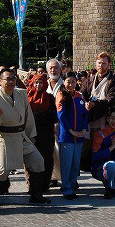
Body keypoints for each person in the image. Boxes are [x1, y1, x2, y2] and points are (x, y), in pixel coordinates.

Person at [0, 69, 49, 206]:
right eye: (8, 79)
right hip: (4, 137)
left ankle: (35, 194)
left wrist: (31, 134)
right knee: (2, 171)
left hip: (21, 135)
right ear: (0, 81)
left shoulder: (21, 93)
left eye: (13, 78)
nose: (11, 81)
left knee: (38, 161)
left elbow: (28, 115)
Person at [80, 52, 115, 170]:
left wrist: (95, 104)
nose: (101, 65)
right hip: (89, 117)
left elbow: (111, 100)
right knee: (87, 145)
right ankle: (87, 166)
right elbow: (82, 94)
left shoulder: (112, 81)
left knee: (101, 144)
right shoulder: (90, 79)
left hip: (103, 117)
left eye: (104, 63)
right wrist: (86, 103)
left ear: (108, 65)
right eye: (99, 63)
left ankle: (101, 168)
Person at [56, 72, 88, 200]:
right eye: (68, 81)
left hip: (79, 135)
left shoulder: (79, 96)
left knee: (75, 163)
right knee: (66, 164)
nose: (70, 84)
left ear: (76, 83)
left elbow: (85, 114)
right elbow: (61, 116)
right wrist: (70, 131)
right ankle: (66, 187)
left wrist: (84, 128)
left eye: (73, 82)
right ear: (64, 82)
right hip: (67, 136)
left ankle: (72, 184)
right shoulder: (61, 95)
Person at [27, 73, 54, 192]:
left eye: (41, 82)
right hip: (31, 133)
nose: (38, 85)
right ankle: (32, 185)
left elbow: (54, 116)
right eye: (36, 82)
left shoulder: (50, 98)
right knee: (30, 160)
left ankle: (44, 184)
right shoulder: (28, 97)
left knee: (46, 159)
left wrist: (38, 116)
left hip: (46, 133)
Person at [92, 106, 115, 199]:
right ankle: (109, 189)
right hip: (99, 169)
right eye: (112, 118)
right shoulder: (99, 134)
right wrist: (112, 147)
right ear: (107, 118)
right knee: (111, 165)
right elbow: (96, 157)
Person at [46, 58, 63, 187]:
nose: (53, 70)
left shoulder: (65, 84)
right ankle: (52, 176)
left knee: (62, 151)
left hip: (62, 123)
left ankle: (67, 177)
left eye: (56, 67)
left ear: (60, 69)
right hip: (47, 124)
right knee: (50, 151)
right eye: (51, 68)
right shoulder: (42, 84)